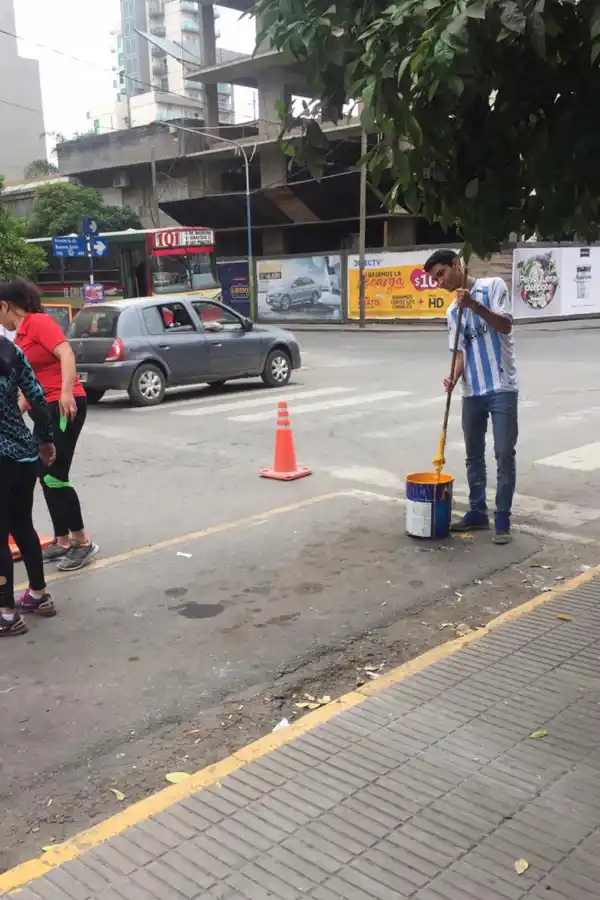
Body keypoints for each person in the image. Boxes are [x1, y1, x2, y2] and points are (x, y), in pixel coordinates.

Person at [0, 280, 99, 570]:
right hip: (45, 408)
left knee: (54, 475)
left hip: (64, 404)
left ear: (5, 305)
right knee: (43, 473)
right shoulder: (19, 338)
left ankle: (82, 541)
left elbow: (66, 353)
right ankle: (62, 539)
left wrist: (67, 392)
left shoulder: (39, 322)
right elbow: (26, 387)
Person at [423, 250, 518, 544]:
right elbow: (460, 352)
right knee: (473, 455)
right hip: (472, 391)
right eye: (434, 278)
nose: (439, 282)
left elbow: (505, 325)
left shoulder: (493, 288)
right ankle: (477, 512)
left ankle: (502, 519)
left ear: (456, 265)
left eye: (441, 274)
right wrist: (453, 375)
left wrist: (474, 305)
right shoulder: (452, 311)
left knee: (503, 453)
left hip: (501, 386)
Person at [0, 337, 56, 635]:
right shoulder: (10, 350)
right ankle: (38, 594)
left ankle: (6, 614)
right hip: (23, 451)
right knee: (22, 524)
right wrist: (45, 437)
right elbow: (35, 395)